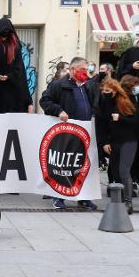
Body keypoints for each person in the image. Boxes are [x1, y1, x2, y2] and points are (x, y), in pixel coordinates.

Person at [39, 56, 98, 210]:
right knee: (64, 165)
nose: (86, 72)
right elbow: (44, 101)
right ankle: (59, 197)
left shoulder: (87, 86)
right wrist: (59, 111)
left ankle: (83, 197)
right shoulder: (59, 85)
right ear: (72, 70)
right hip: (66, 132)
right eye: (83, 69)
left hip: (84, 132)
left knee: (83, 164)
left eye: (87, 69)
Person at [97, 78, 138, 214]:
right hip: (113, 141)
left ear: (114, 90)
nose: (105, 93)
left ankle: (128, 203)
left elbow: (136, 120)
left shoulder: (126, 100)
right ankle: (118, 202)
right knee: (114, 171)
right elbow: (101, 124)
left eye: (107, 91)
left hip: (128, 140)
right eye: (103, 90)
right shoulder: (103, 102)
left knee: (124, 171)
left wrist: (120, 118)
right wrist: (104, 142)